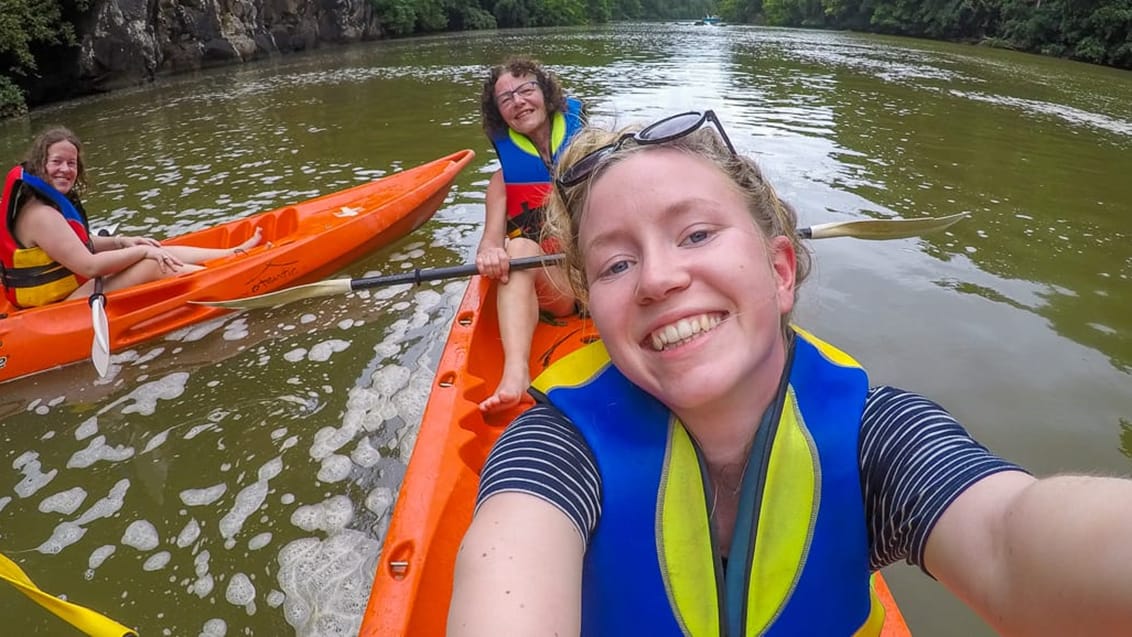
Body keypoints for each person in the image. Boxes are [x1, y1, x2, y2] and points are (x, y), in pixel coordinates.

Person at [448, 111, 1132, 636]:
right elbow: (510, 576)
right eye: (616, 264)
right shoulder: (553, 451)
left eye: (695, 234)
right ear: (594, 305)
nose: (658, 277)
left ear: (779, 271)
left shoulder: (876, 438)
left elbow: (1007, 537)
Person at [0, 126, 262, 308]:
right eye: (56, 162)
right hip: (57, 305)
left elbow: (77, 241)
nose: (66, 169)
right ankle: (236, 283)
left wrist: (123, 242)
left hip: (68, 289)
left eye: (72, 163)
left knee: (151, 247)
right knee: (153, 263)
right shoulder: (41, 215)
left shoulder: (42, 203)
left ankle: (232, 254)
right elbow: (90, 266)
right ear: (39, 164)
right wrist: (141, 255)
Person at [474, 57, 586, 414]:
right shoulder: (501, 182)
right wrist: (493, 253)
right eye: (506, 99)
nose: (518, 101)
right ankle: (516, 373)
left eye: (526, 90)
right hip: (559, 286)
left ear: (546, 95)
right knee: (518, 246)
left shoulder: (595, 155)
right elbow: (490, 243)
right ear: (499, 115)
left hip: (598, 278)